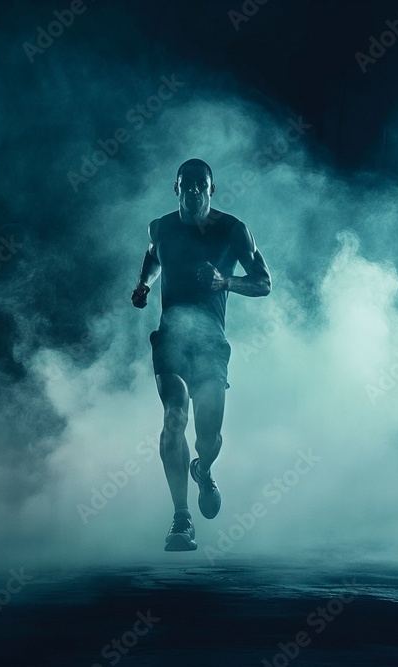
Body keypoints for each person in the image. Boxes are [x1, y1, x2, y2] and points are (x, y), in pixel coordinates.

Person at [131, 158, 272, 551]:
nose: (193, 190)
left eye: (201, 185)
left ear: (212, 190)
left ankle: (203, 470)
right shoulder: (159, 228)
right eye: (186, 184)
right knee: (174, 416)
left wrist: (224, 281)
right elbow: (153, 256)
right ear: (176, 188)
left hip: (211, 344)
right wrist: (142, 285)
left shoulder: (232, 230)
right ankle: (181, 520)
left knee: (208, 437)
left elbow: (264, 283)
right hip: (171, 339)